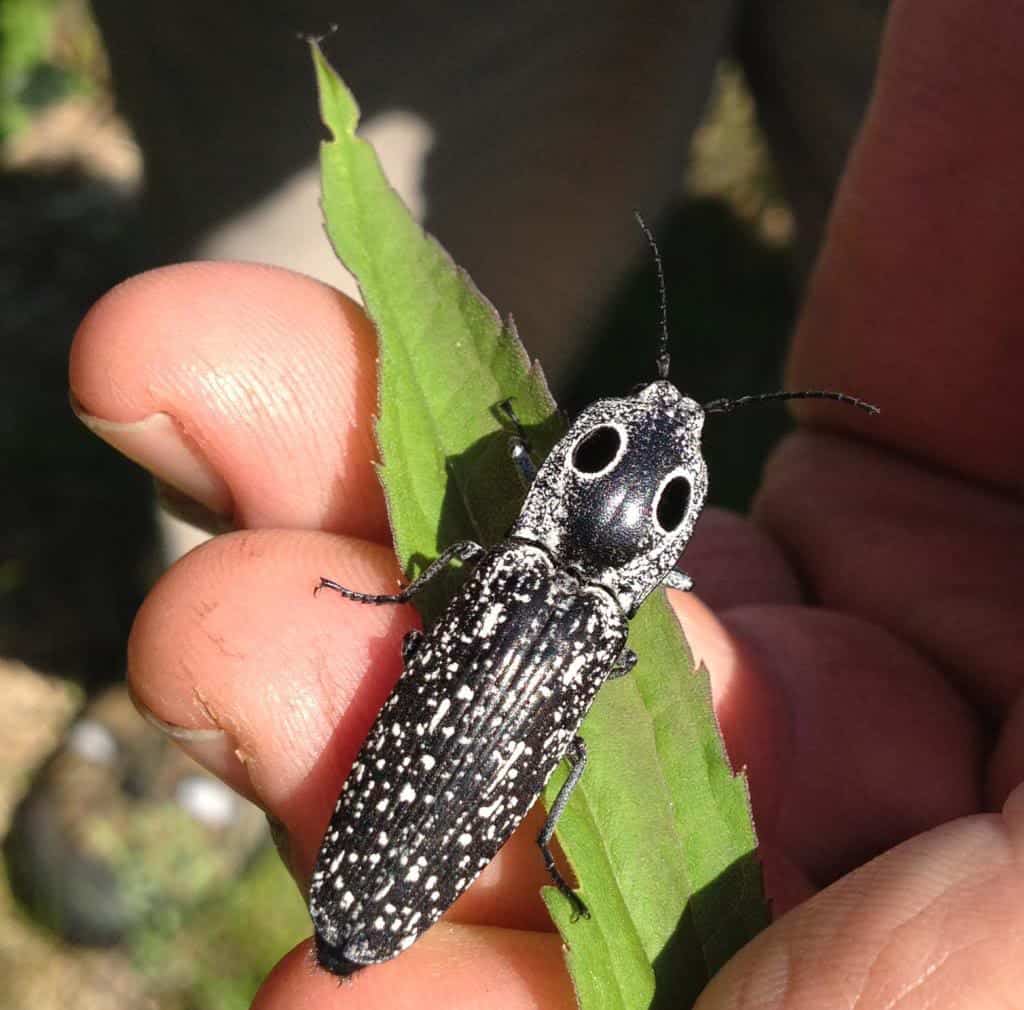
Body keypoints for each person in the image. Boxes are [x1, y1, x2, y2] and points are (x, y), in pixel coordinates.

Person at [68, 0, 1024, 1006]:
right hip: (447, 823)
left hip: (420, 798)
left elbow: (456, 574)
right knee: (545, 755)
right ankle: (427, 888)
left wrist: (400, 599)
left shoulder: (512, 560)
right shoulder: (596, 626)